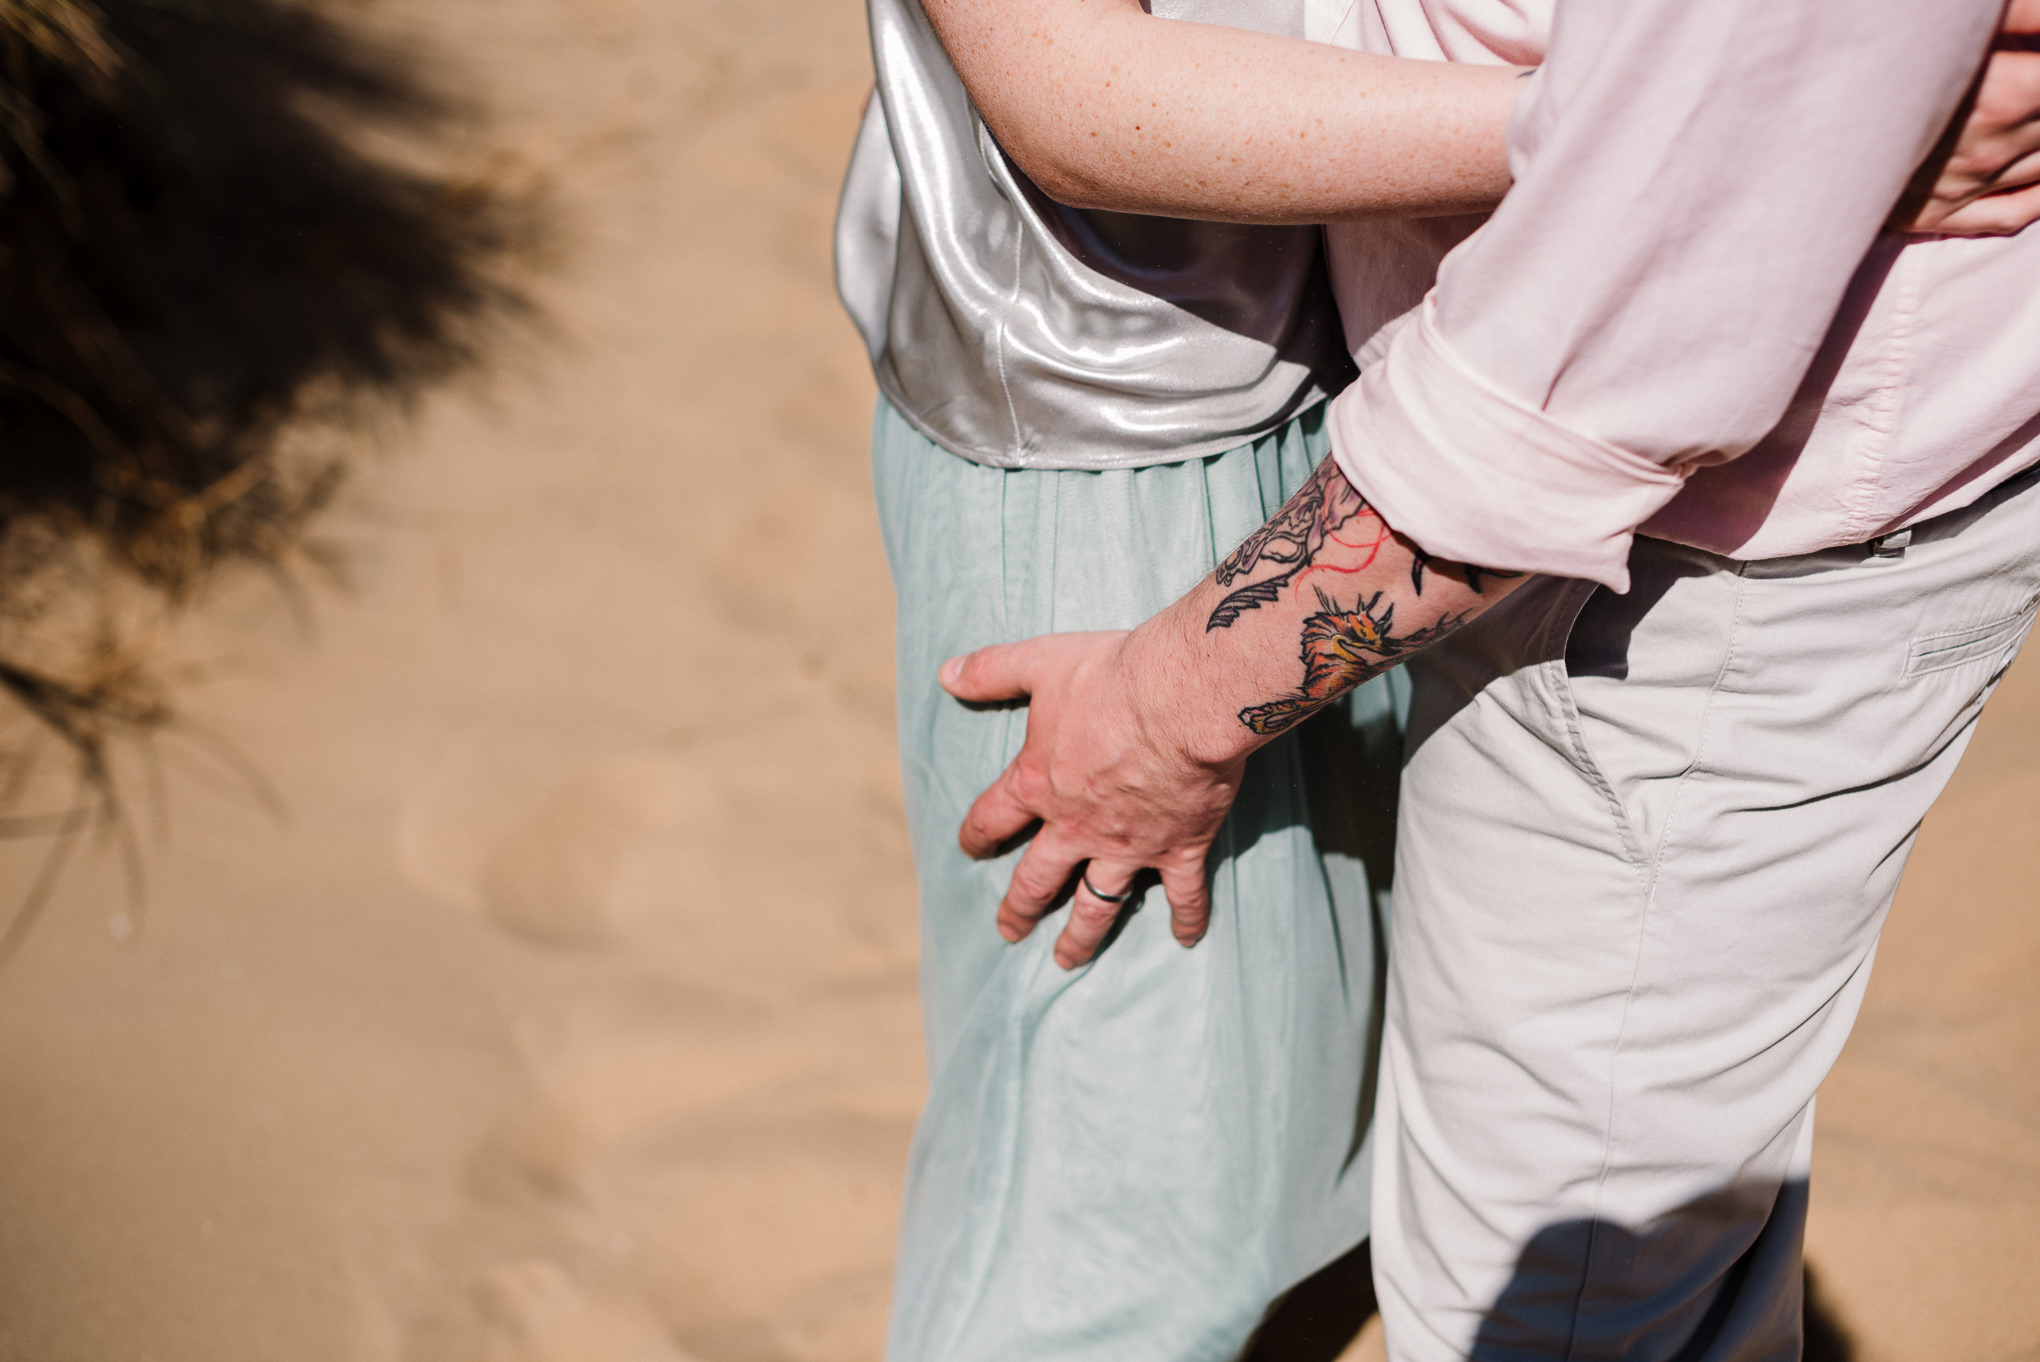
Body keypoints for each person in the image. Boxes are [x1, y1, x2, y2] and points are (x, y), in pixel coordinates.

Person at [937, 0, 2040, 1356]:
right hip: (1559, 504)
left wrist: (1169, 704)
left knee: (1552, 1300)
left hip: (1678, 578)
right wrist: (1661, 143)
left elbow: (1589, 383)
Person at [835, 6, 1540, 1358]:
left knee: (1316, 1176)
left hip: (1370, 408)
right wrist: (1644, 136)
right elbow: (1074, 93)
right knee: (1116, 1244)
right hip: (1113, 472)